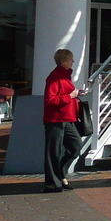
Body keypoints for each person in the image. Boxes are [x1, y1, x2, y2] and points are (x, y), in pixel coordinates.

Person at [43, 48, 84, 193]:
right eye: (70, 59)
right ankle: (52, 183)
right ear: (63, 61)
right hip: (55, 119)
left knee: (76, 145)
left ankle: (60, 172)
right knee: (53, 151)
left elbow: (66, 94)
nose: (73, 61)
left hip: (67, 118)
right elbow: (50, 100)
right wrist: (71, 96)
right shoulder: (54, 77)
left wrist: (76, 93)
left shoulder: (66, 76)